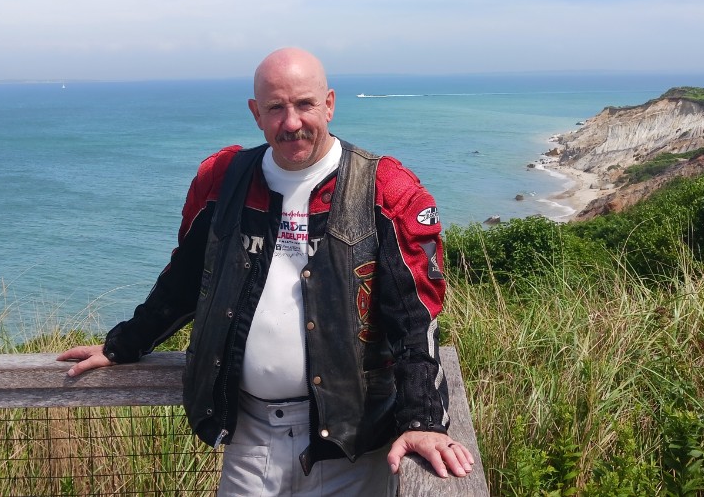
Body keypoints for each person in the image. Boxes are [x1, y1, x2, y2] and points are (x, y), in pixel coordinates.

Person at [59, 47, 473, 495]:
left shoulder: (385, 189)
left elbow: (413, 320)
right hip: (248, 439)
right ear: (257, 113)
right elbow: (185, 280)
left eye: (305, 104)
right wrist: (123, 345)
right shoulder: (222, 180)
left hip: (353, 447)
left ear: (329, 104)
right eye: (276, 107)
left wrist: (424, 421)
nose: (291, 122)